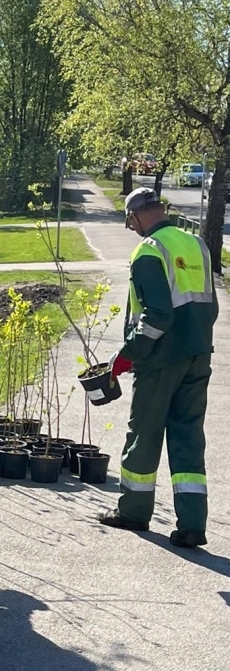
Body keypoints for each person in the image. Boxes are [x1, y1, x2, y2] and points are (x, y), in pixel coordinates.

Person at [98, 187, 218, 547]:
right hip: (198, 355)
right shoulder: (196, 245)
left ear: (136, 217)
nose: (132, 228)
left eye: (130, 221)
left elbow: (158, 316)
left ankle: (134, 512)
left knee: (144, 434)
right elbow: (209, 306)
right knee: (188, 437)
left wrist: (128, 354)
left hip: (161, 360)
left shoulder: (148, 252)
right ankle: (193, 525)